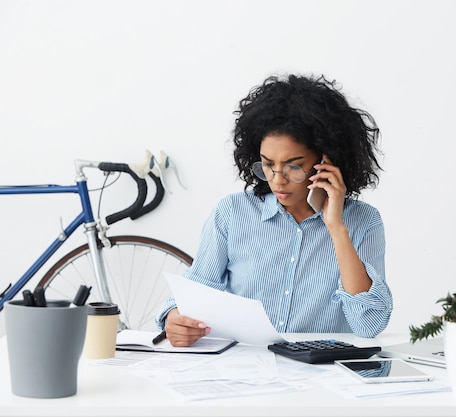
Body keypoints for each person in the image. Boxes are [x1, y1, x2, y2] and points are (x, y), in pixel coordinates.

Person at [157, 74, 393, 346]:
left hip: (320, 376)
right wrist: (174, 316)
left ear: (327, 161)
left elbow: (368, 324)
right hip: (244, 370)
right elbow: (196, 292)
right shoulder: (233, 213)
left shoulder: (364, 222)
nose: (277, 180)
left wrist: (337, 228)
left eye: (293, 166)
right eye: (268, 165)